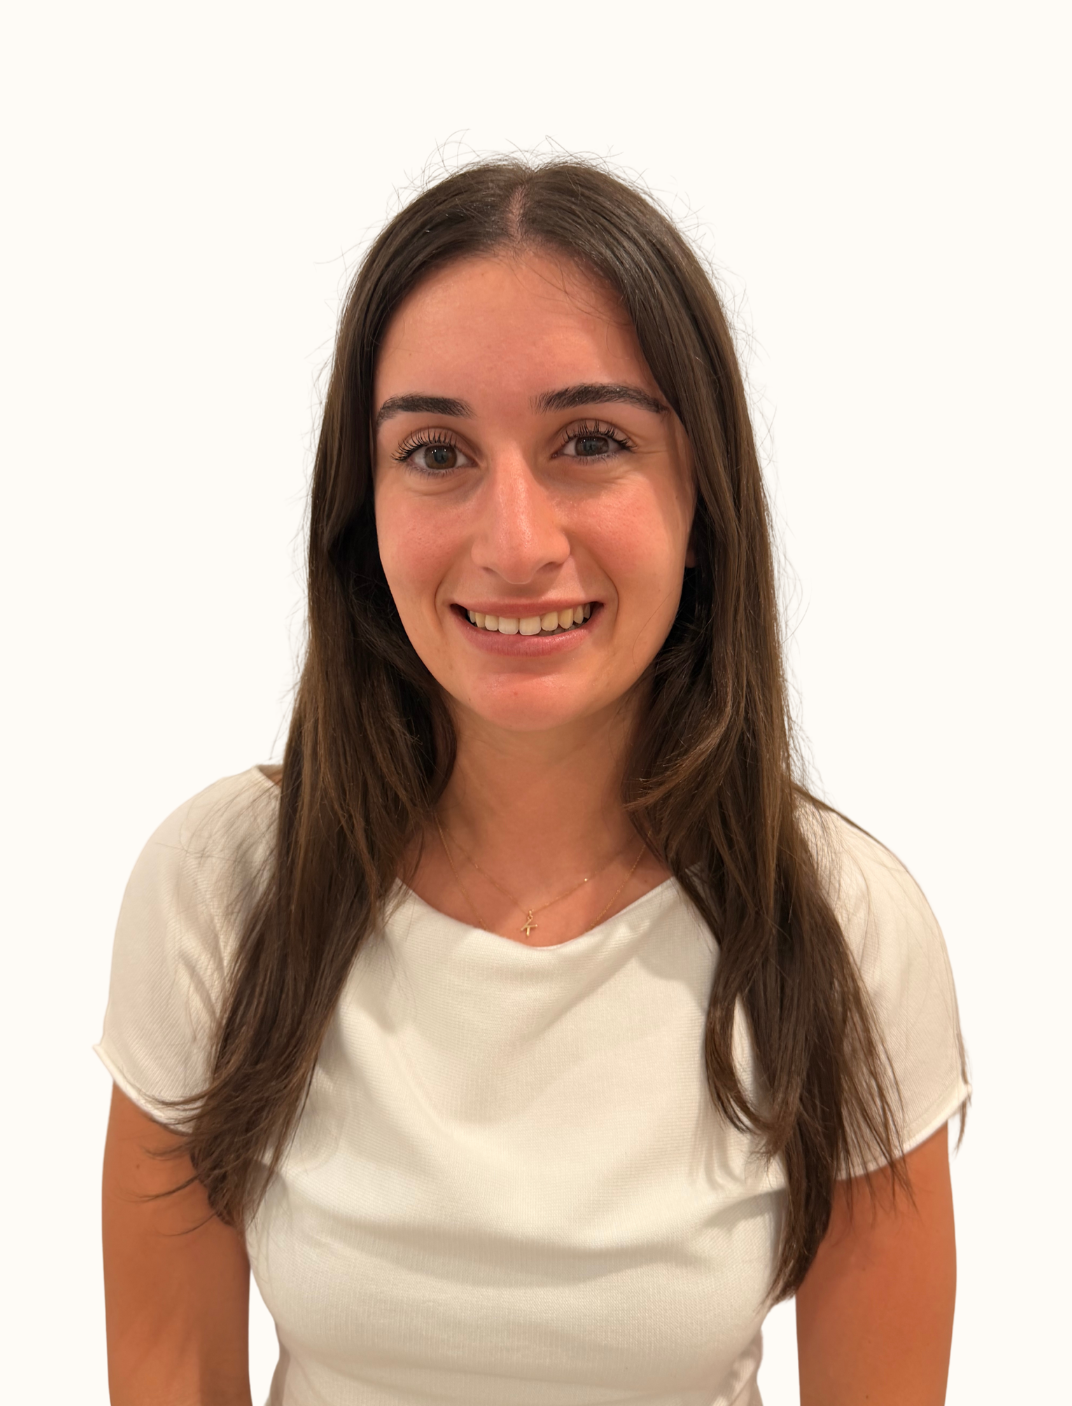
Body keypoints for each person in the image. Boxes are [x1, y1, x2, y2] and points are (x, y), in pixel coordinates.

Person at [97, 158, 970, 1406]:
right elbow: (169, 1375)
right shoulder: (223, 886)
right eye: (437, 449)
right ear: (364, 505)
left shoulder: (841, 926)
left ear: (700, 496)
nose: (514, 542)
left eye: (591, 441)